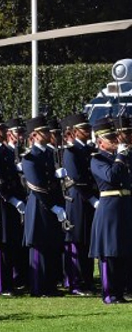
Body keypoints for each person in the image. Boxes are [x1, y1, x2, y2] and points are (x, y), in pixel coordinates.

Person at [88, 118, 132, 304]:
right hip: (109, 208)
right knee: (110, 253)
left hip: (124, 207)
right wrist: (120, 158)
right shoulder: (97, 159)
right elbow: (111, 176)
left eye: (115, 136)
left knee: (123, 253)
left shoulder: (121, 158)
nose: (114, 140)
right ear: (100, 141)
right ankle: (109, 294)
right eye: (110, 137)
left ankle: (120, 292)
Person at [20, 116, 67, 296]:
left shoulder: (49, 153)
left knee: (52, 246)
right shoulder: (30, 158)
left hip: (52, 205)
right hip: (39, 206)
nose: (48, 134)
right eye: (44, 132)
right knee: (39, 247)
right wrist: (54, 206)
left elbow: (53, 184)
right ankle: (39, 287)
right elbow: (37, 186)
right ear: (34, 135)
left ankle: (50, 285)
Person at [60, 113, 97, 296]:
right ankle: (76, 283)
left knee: (88, 242)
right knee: (77, 241)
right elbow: (77, 179)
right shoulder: (71, 152)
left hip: (89, 200)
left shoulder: (89, 150)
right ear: (75, 132)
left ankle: (88, 280)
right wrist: (91, 198)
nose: (88, 131)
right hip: (78, 201)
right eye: (85, 129)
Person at [0, 120, 28, 295]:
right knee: (2, 244)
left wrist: (20, 198)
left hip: (10, 204)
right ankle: (3, 284)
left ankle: (9, 283)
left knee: (10, 242)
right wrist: (11, 199)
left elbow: (13, 180)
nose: (4, 131)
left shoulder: (6, 151)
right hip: (2, 202)